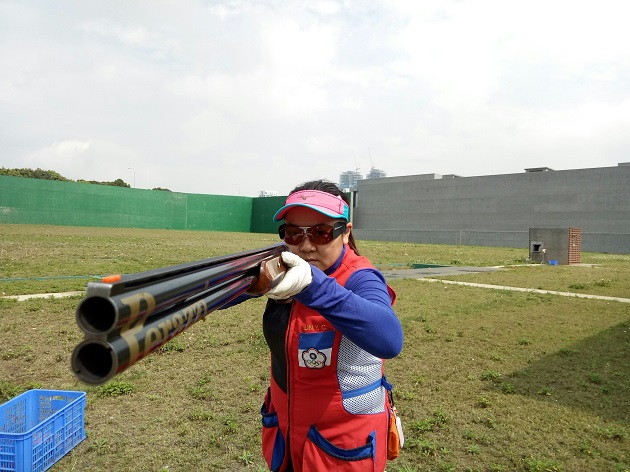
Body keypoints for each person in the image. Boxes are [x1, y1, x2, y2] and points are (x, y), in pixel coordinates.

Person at [257, 179, 403, 472]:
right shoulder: (285, 264)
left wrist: (313, 286)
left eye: (322, 233)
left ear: (345, 233)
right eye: (294, 233)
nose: (306, 246)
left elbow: (389, 338)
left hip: (342, 446)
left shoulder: (362, 277)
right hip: (286, 432)